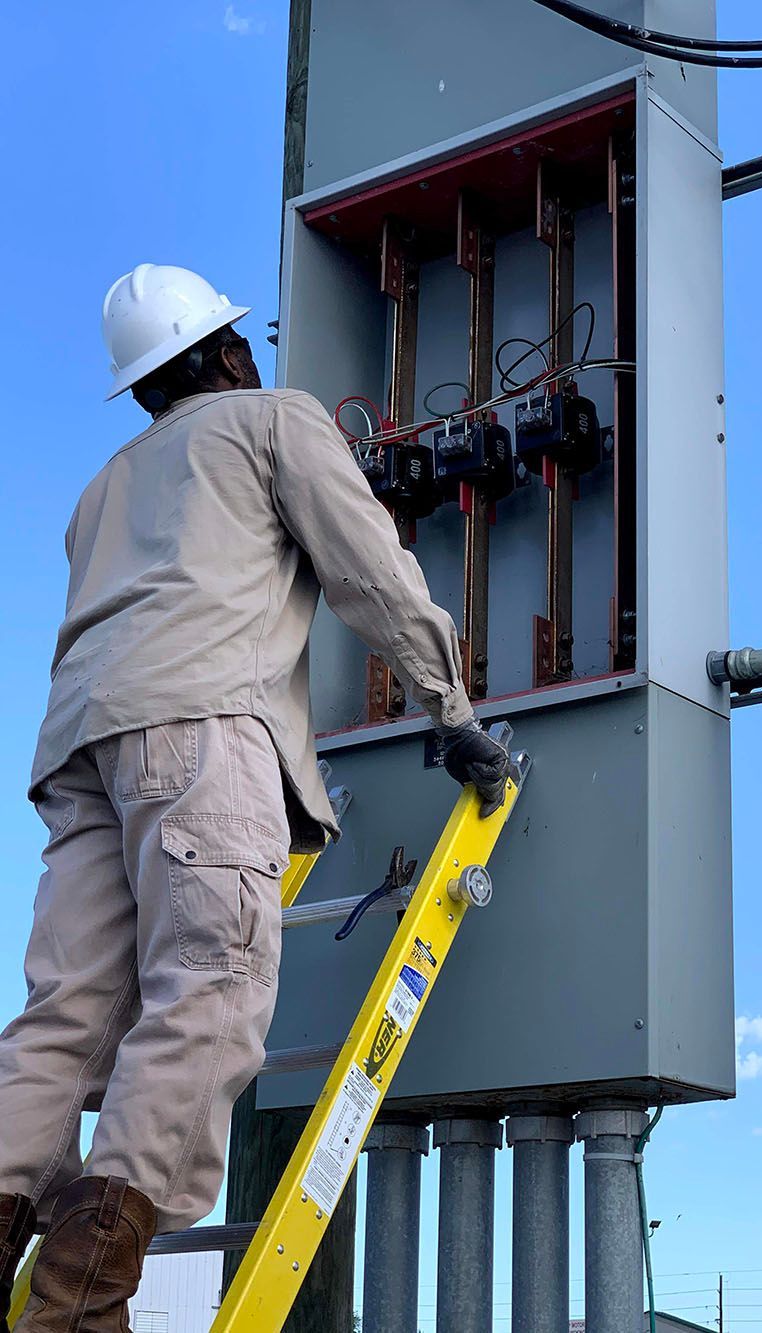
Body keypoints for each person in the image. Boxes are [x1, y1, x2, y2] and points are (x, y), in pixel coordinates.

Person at [0, 264, 509, 1330]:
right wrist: (449, 709)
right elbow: (368, 562)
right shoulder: (273, 421)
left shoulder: (104, 488)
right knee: (207, 986)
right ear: (226, 351)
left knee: (65, 1016)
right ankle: (76, 1308)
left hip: (81, 752)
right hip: (201, 730)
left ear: (143, 389)